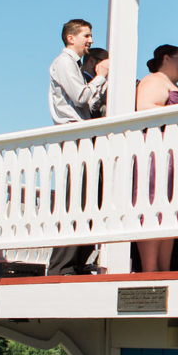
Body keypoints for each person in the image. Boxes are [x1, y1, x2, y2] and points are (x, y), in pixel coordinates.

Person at [48, 18, 108, 275]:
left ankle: (78, 260)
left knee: (89, 198)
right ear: (71, 38)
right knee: (77, 199)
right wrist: (101, 76)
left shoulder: (73, 64)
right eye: (86, 35)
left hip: (84, 137)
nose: (91, 40)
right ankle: (61, 266)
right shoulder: (63, 62)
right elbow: (80, 96)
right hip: (73, 136)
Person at [136, 44, 178, 273]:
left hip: (176, 155)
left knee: (170, 212)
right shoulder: (153, 80)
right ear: (166, 58)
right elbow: (144, 108)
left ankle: (164, 270)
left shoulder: (174, 85)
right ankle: (150, 271)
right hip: (159, 154)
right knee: (154, 207)